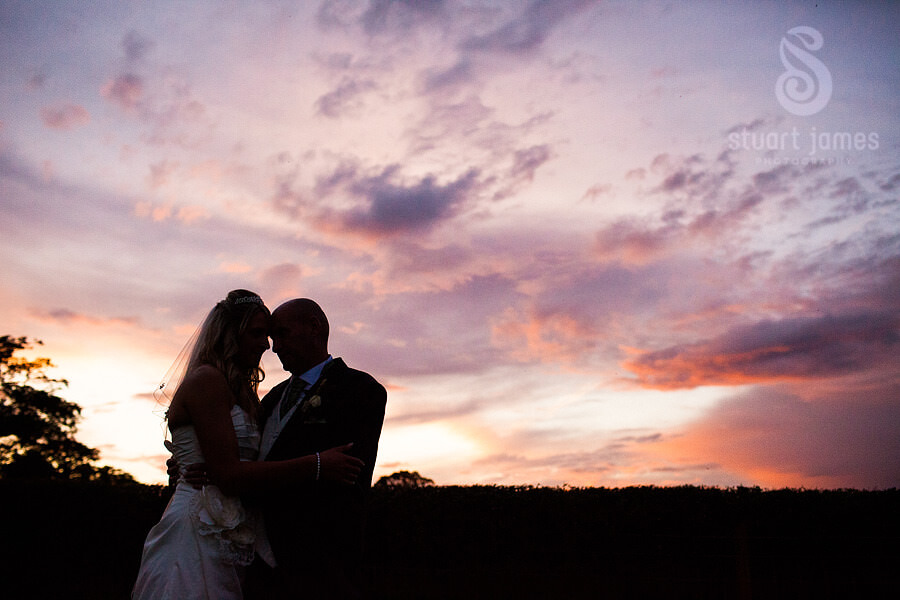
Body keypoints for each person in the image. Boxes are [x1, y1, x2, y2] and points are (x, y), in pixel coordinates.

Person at [133, 290, 364, 600]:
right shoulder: (207, 381)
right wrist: (318, 463)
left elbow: (245, 456)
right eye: (258, 334)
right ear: (230, 334)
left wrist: (197, 463)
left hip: (240, 536)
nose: (267, 345)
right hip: (198, 530)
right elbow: (228, 474)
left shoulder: (248, 394)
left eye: (271, 334)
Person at [244, 298, 387, 600]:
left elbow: (346, 473)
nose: (275, 346)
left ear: (314, 327)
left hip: (320, 564)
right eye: (272, 338)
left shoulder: (361, 390)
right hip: (258, 563)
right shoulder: (272, 398)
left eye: (282, 334)